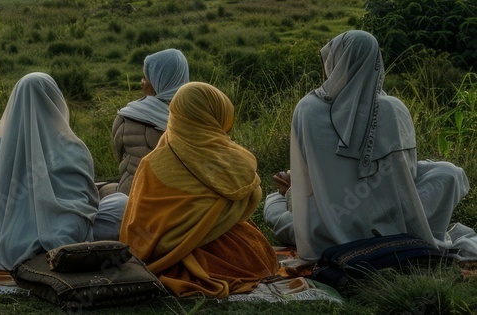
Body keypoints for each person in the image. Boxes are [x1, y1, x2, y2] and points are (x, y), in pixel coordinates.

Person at [264, 30, 477, 260]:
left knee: (277, 209)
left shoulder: (308, 108)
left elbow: (307, 174)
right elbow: (408, 170)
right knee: (448, 173)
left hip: (332, 219)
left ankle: (279, 199)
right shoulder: (394, 108)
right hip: (391, 216)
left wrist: (293, 193)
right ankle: (402, 232)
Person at [120, 82, 278, 298]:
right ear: (216, 115)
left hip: (170, 260)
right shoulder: (237, 160)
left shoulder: (153, 163)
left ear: (176, 113)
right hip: (246, 257)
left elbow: (139, 224)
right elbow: (251, 199)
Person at [0, 72, 127, 271]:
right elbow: (85, 203)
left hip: (1, 237)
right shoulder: (69, 146)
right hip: (62, 238)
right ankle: (58, 252)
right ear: (55, 102)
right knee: (121, 204)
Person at [107, 48, 189, 196]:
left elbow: (121, 161)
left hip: (136, 200)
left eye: (146, 77)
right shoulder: (200, 116)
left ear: (158, 81)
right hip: (190, 201)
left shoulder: (128, 118)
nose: (142, 82)